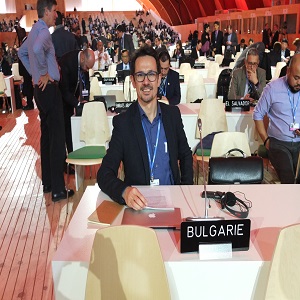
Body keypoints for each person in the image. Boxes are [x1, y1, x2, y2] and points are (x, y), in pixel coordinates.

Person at [97, 45, 193, 209]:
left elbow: (185, 155)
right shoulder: (123, 123)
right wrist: (125, 192)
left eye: (151, 75)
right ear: (133, 81)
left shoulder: (172, 116)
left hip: (172, 202)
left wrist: (185, 190)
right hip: (139, 207)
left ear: (159, 78)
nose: (146, 82)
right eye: (140, 75)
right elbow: (104, 174)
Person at [18, 0, 74, 201]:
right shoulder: (43, 33)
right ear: (47, 11)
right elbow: (33, 52)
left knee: (47, 138)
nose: (57, 15)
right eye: (55, 12)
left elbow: (21, 52)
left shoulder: (33, 31)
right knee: (58, 140)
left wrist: (35, 73)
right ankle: (59, 190)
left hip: (39, 92)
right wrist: (43, 73)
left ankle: (49, 184)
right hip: (49, 90)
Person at [253, 54, 300, 184]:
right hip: (278, 143)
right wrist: (266, 140)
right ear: (288, 71)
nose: (299, 82)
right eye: (296, 78)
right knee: (289, 179)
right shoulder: (273, 88)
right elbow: (257, 114)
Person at [59, 49, 95, 158]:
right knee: (64, 130)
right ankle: (67, 160)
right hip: (61, 100)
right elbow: (64, 90)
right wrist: (77, 104)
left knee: (71, 128)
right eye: (87, 67)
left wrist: (86, 99)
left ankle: (73, 154)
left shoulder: (84, 63)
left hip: (72, 97)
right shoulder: (67, 62)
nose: (87, 70)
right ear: (83, 58)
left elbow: (86, 83)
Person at [19, 37, 34, 110]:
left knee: (28, 89)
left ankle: (30, 104)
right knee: (28, 88)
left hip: (27, 72)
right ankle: (29, 103)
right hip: (27, 72)